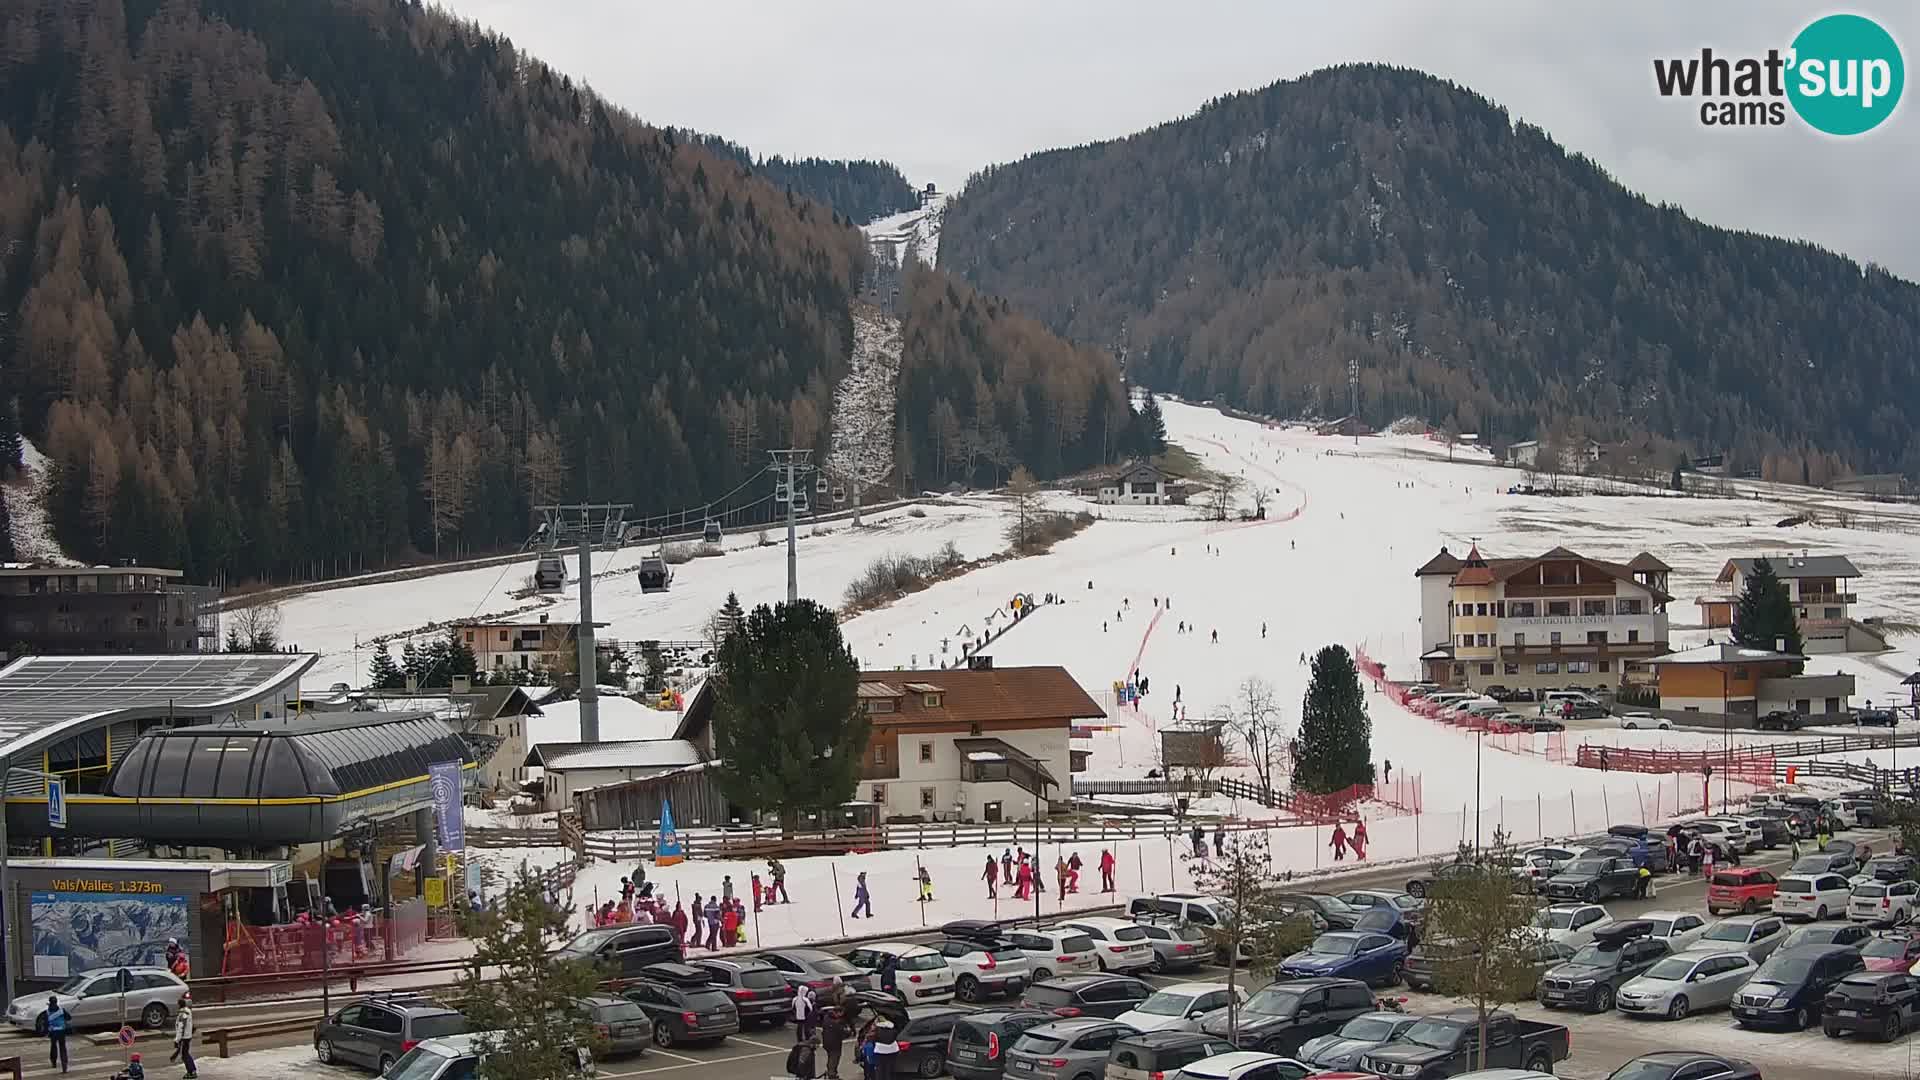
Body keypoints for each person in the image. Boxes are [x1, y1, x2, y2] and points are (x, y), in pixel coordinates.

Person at [822, 1001, 850, 1080]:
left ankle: (831, 1072)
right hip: (834, 1044)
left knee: (830, 1058)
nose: (842, 1016)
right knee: (834, 1058)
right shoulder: (834, 1023)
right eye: (841, 1014)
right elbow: (842, 1031)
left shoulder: (827, 1018)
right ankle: (832, 1074)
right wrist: (847, 1030)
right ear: (837, 1012)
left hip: (827, 1042)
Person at [172, 992, 196, 1078]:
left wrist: (177, 1040)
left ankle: (191, 1071)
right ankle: (192, 1070)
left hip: (184, 1037)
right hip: (187, 1036)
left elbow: (180, 1028)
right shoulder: (188, 1011)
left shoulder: (182, 1015)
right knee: (185, 1054)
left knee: (185, 1055)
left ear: (179, 1005)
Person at [45, 994, 70, 1073]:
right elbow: (69, 1017)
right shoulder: (62, 1010)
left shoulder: (48, 1012)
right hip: (62, 1031)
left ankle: (54, 1062)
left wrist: (47, 1030)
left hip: (53, 1032)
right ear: (56, 1002)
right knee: (62, 1048)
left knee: (53, 1046)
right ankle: (64, 1065)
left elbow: (46, 1023)